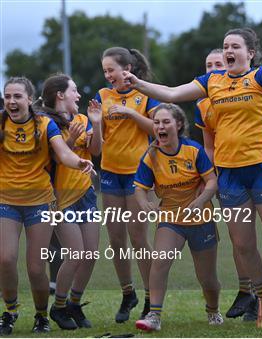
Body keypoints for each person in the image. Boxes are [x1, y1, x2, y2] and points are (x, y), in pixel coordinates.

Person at [122, 27, 262, 328]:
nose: (228, 50)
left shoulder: (260, 77)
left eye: (234, 46)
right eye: (225, 45)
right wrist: (138, 83)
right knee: (243, 244)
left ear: (249, 52)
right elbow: (171, 93)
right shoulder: (212, 82)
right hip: (229, 173)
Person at [0, 77, 94, 335]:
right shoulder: (1, 123)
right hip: (6, 200)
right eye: (7, 96)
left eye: (17, 96)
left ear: (29, 100)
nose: (11, 101)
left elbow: (62, 153)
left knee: (35, 267)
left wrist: (79, 163)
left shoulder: (44, 124)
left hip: (39, 202)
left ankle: (42, 314)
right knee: (5, 259)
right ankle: (10, 311)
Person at [134, 103, 222, 331]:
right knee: (160, 262)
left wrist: (200, 202)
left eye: (165, 122)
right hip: (170, 219)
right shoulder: (150, 156)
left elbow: (212, 181)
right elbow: (139, 188)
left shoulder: (194, 150)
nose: (160, 127)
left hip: (201, 219)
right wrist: (144, 204)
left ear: (178, 125)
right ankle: (154, 315)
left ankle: (213, 311)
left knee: (207, 278)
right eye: (156, 122)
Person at [96, 47, 160, 323]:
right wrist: (96, 123)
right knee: (116, 239)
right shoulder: (102, 96)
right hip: (110, 173)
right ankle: (128, 293)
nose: (108, 75)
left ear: (127, 69)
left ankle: (150, 298)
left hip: (138, 175)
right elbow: (97, 145)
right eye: (105, 71)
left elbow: (158, 129)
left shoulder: (145, 94)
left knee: (138, 238)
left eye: (111, 69)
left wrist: (132, 114)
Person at [193, 48, 256, 321]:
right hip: (224, 173)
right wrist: (209, 178)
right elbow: (209, 147)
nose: (213, 69)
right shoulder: (202, 104)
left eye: (217, 64)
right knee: (237, 237)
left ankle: (256, 292)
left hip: (253, 167)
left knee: (251, 238)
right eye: (208, 65)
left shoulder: (247, 89)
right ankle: (249, 292)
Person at [35, 74, 102, 329]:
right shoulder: (45, 122)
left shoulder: (82, 119)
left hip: (86, 194)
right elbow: (54, 158)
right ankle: (59, 307)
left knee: (91, 254)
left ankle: (74, 303)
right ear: (60, 94)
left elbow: (95, 152)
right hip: (60, 199)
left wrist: (96, 124)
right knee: (74, 254)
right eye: (74, 90)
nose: (79, 95)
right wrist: (71, 140)